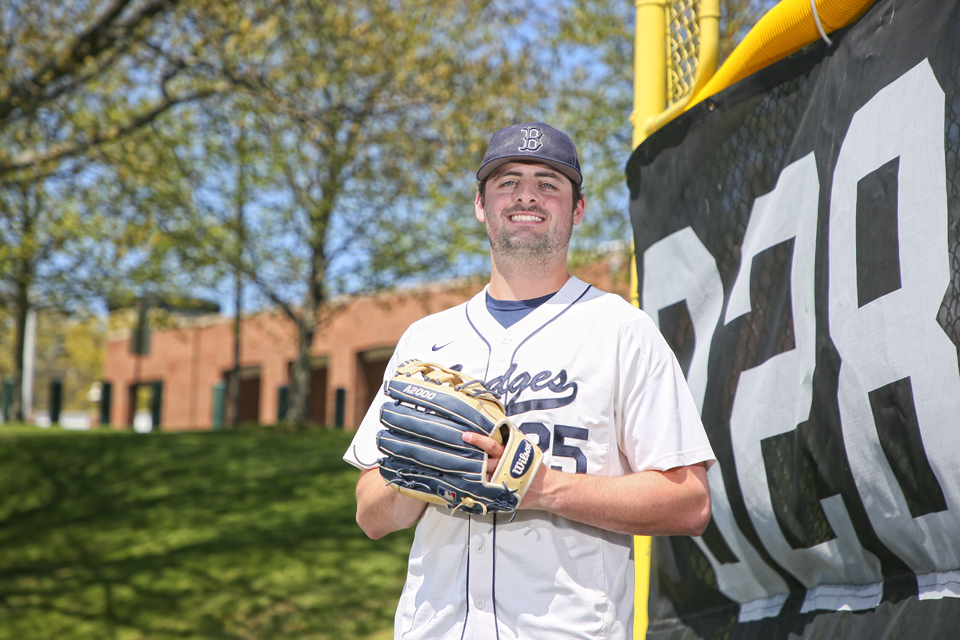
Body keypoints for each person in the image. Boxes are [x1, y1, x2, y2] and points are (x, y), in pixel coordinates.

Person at [343, 122, 715, 640]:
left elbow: (690, 502)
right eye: (507, 180)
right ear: (481, 204)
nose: (526, 195)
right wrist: (420, 476)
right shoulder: (425, 339)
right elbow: (370, 515)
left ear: (577, 209)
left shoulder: (622, 330)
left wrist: (545, 488)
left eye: (548, 183)